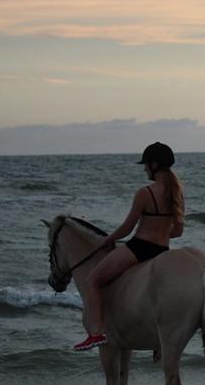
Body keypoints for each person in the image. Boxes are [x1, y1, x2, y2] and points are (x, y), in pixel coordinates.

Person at [73, 142, 186, 351]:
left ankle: (95, 334)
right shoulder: (177, 194)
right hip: (162, 251)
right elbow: (178, 232)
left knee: (92, 281)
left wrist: (108, 239)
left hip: (139, 249)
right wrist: (159, 231)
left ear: (154, 164)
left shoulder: (145, 193)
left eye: (146, 165)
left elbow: (127, 228)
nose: (144, 169)